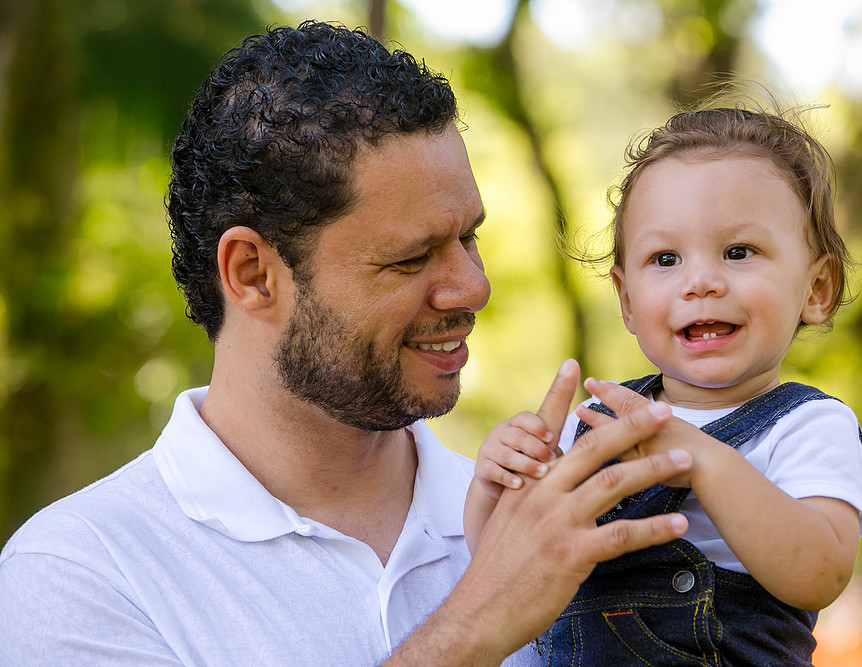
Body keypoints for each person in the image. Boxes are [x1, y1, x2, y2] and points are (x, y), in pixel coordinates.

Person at [0, 21, 696, 666]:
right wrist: (477, 624)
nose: (473, 287)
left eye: (469, 238)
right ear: (254, 275)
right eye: (411, 258)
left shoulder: (536, 522)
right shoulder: (81, 572)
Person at [465, 102, 862, 664]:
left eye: (738, 252)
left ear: (816, 289)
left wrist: (699, 458)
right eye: (665, 259)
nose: (700, 281)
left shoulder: (808, 426)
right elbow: (507, 572)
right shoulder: (600, 420)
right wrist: (495, 491)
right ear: (627, 300)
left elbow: (820, 573)